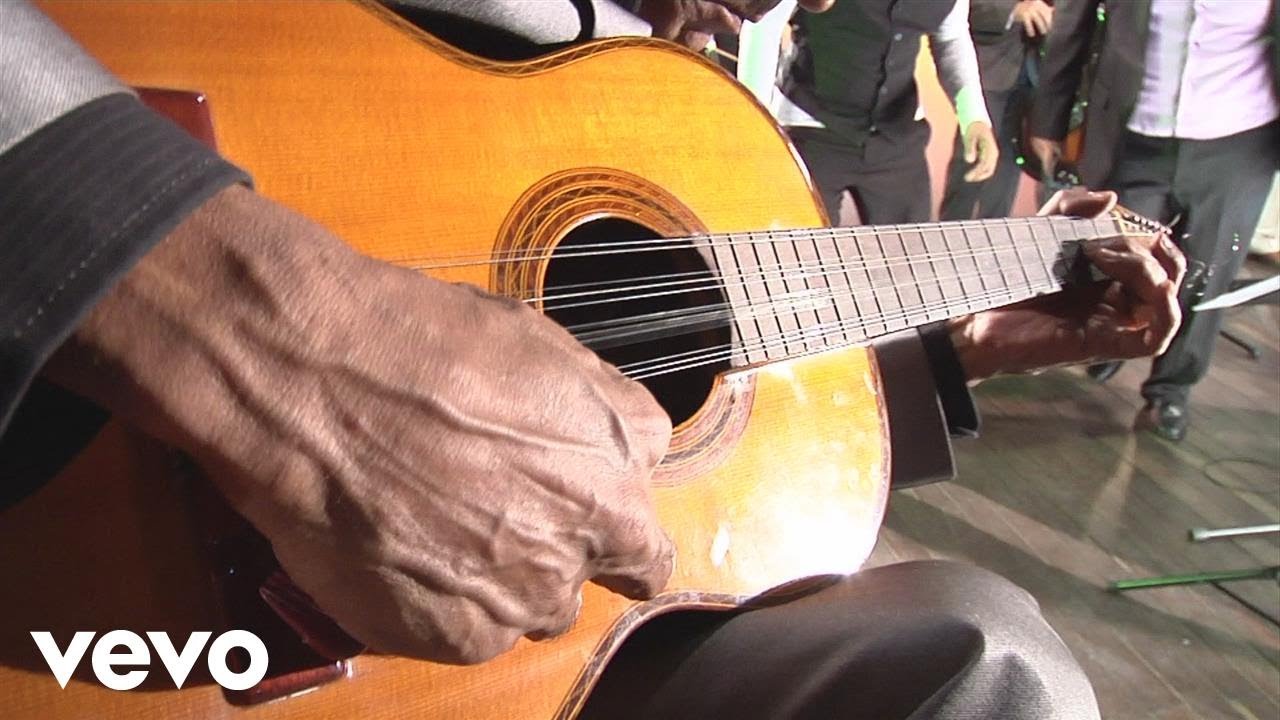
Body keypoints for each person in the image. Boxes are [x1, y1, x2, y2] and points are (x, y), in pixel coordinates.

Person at [1, 1, 1182, 717]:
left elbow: (611, 347)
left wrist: (942, 354)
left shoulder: (658, 93)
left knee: (979, 668)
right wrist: (245, 322)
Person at [1029, 0, 1280, 442]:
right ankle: (1109, 343)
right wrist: (1048, 118)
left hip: (1238, 140)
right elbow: (1073, 20)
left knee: (1207, 272)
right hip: (1133, 131)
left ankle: (1170, 391)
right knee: (1115, 258)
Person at [773, 0, 1001, 225]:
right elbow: (766, 24)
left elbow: (951, 37)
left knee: (909, 246)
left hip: (896, 131)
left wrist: (973, 117)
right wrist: (759, 120)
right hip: (809, 125)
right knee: (802, 243)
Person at [940, 0, 1053, 221]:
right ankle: (951, 236)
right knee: (971, 169)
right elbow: (957, 9)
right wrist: (1013, 10)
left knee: (1009, 176)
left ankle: (996, 236)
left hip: (1047, 73)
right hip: (990, 70)